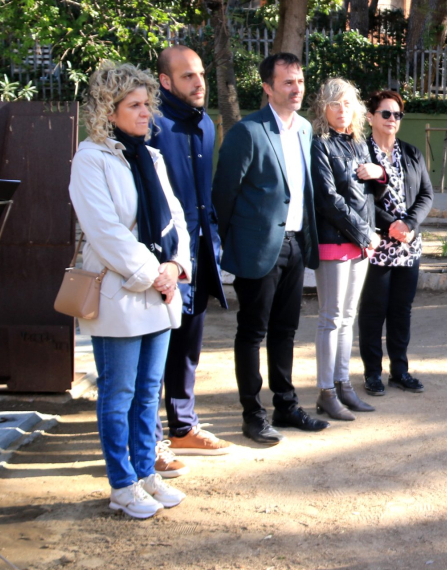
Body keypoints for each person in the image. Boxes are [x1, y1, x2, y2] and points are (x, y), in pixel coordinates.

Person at [69, 62, 191, 519]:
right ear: (109, 110)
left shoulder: (151, 156)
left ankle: (145, 473)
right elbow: (104, 231)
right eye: (134, 105)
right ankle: (122, 484)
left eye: (147, 104)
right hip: (120, 292)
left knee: (147, 392)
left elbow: (176, 218)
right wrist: (155, 273)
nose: (145, 113)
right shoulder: (90, 159)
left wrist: (176, 265)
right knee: (118, 394)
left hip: (158, 291)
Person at [213, 52, 327, 445]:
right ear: (267, 88)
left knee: (286, 330)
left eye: (300, 81)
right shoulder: (247, 132)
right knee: (252, 333)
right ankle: (253, 414)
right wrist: (228, 247)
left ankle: (286, 405)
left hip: (294, 245)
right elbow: (223, 195)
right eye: (287, 82)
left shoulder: (305, 129)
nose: (297, 89)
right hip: (257, 250)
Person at [148, 45, 233, 477]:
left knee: (188, 347)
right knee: (155, 352)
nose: (199, 82)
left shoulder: (205, 125)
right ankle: (151, 442)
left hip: (200, 253)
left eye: (200, 73)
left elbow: (205, 192)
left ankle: (183, 427)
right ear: (165, 81)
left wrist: (212, 240)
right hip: (164, 259)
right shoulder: (151, 124)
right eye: (187, 76)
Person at [309, 77, 384, 421]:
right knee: (331, 317)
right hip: (334, 240)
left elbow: (370, 194)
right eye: (334, 103)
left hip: (359, 243)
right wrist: (364, 233)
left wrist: (379, 173)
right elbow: (327, 199)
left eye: (348, 103)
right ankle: (326, 391)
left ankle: (343, 385)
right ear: (323, 108)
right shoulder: (319, 144)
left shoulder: (359, 143)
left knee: (348, 317)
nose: (342, 109)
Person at [357, 90, 433, 396]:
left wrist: (409, 225)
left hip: (408, 245)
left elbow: (426, 195)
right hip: (377, 246)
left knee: (402, 310)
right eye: (385, 113)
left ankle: (400, 371)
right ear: (370, 117)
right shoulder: (360, 152)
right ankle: (372, 373)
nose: (392, 119)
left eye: (397, 114)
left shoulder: (412, 153)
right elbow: (360, 199)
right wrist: (392, 225)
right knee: (374, 311)